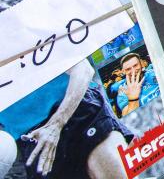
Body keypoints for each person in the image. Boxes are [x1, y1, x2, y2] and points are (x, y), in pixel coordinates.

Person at [0, 60, 133, 179]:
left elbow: (84, 69)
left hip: (77, 109)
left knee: (110, 169)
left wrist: (56, 124)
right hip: (30, 139)